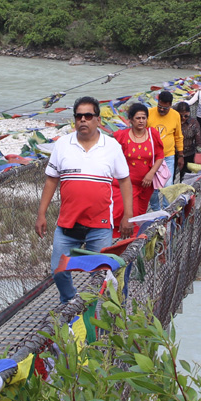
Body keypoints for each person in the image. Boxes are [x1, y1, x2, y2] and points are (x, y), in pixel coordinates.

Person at [37, 96, 132, 303]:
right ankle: (69, 301)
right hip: (67, 223)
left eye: (88, 116)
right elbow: (51, 181)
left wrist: (128, 216)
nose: (83, 120)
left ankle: (95, 315)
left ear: (98, 120)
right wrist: (41, 214)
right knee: (58, 270)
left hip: (100, 225)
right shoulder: (63, 145)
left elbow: (124, 181)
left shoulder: (112, 146)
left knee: (99, 275)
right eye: (79, 116)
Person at [110, 102, 163, 237]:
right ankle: (129, 247)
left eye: (143, 118)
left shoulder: (153, 134)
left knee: (140, 216)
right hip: (128, 185)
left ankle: (133, 245)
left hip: (146, 185)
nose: (141, 121)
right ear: (131, 120)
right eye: (138, 118)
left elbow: (160, 156)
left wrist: (151, 173)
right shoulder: (122, 136)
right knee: (130, 214)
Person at [146, 90, 183, 208]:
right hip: (151, 157)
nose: (161, 109)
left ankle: (167, 210)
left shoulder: (175, 115)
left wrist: (181, 155)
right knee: (152, 187)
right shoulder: (148, 113)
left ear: (170, 105)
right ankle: (156, 210)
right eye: (160, 106)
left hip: (168, 157)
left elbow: (178, 136)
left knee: (168, 185)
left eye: (165, 108)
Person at [175, 101, 200, 182]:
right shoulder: (174, 122)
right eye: (180, 116)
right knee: (170, 177)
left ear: (189, 113)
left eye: (186, 116)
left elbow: (198, 140)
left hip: (189, 153)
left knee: (185, 177)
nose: (183, 118)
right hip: (174, 154)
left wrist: (199, 154)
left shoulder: (194, 123)